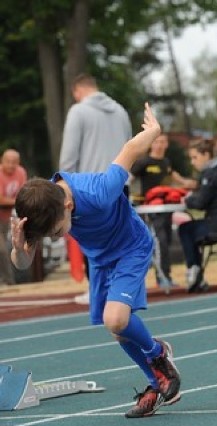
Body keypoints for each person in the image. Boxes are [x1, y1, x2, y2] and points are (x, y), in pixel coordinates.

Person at [10, 103, 181, 419]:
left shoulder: (99, 190)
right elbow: (21, 265)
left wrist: (154, 131)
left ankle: (159, 355)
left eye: (59, 230)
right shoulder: (37, 209)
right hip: (101, 260)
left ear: (69, 202)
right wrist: (21, 250)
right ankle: (155, 384)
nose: (59, 236)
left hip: (130, 247)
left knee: (115, 318)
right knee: (119, 330)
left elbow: (130, 149)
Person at [59, 74, 133, 305]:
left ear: (77, 91)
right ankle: (122, 291)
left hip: (88, 188)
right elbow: (131, 145)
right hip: (120, 184)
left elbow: (69, 155)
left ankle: (97, 291)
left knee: (91, 241)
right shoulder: (120, 111)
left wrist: (63, 184)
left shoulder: (78, 111)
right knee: (120, 240)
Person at [130, 133, 192, 289]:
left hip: (166, 208)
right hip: (150, 209)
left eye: (162, 142)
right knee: (159, 241)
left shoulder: (166, 162)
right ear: (151, 144)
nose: (159, 145)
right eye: (156, 141)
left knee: (167, 241)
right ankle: (161, 277)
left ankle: (165, 276)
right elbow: (129, 177)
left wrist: (188, 183)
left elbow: (174, 176)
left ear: (166, 145)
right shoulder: (143, 162)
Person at [178, 139, 217, 292]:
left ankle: (194, 271)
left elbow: (200, 203)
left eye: (194, 157)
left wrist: (187, 199)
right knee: (189, 229)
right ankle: (196, 273)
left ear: (206, 155)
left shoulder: (211, 174)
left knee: (185, 230)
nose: (192, 162)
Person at [0, 149, 27, 286]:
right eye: (8, 162)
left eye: (14, 162)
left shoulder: (21, 172)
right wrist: (17, 201)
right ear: (2, 161)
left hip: (6, 217)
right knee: (2, 250)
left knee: (7, 248)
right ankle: (8, 281)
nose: (11, 165)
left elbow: (24, 194)